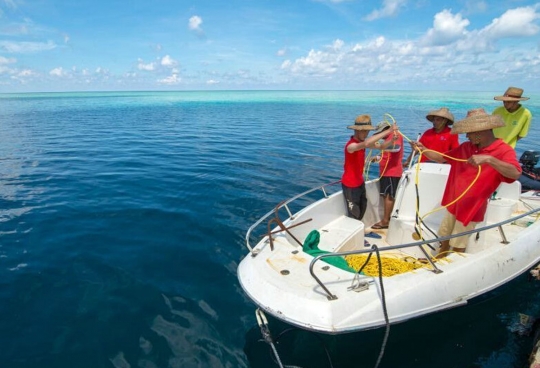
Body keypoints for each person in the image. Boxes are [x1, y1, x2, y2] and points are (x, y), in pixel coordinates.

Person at [412, 108, 521, 257]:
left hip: (471, 207)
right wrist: (423, 149)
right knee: (444, 235)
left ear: (481, 132)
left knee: (458, 242)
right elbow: (441, 158)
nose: (466, 136)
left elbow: (515, 173)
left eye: (469, 133)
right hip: (454, 202)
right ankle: (439, 259)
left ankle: (451, 267)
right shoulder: (466, 147)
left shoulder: (503, 150)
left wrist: (489, 159)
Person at [342, 115, 399, 221]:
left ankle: (361, 232)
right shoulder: (351, 146)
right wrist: (389, 130)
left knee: (363, 208)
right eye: (363, 131)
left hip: (359, 183)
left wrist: (391, 141)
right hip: (350, 185)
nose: (366, 133)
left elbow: (381, 147)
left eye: (367, 131)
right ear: (356, 131)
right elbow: (367, 143)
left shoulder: (362, 144)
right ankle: (356, 235)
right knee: (354, 214)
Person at [371, 122, 404, 229]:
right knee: (386, 195)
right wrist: (376, 158)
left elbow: (395, 148)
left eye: (380, 132)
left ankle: (386, 221)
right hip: (385, 172)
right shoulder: (388, 138)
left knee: (389, 196)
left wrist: (379, 146)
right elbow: (386, 153)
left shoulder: (395, 135)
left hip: (392, 172)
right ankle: (386, 219)